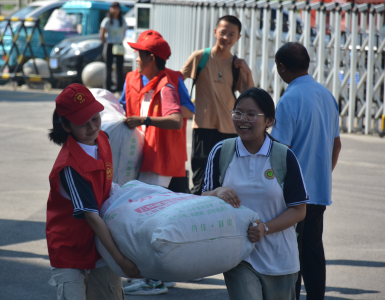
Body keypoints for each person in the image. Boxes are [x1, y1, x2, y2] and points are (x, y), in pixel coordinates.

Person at [202, 87, 309, 300]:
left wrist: (265, 228)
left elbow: (299, 210)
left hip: (281, 260)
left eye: (252, 114)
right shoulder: (221, 152)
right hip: (238, 258)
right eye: (238, 113)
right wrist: (218, 192)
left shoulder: (284, 156)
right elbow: (201, 200)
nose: (243, 119)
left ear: (269, 121)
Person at [46, 83, 142, 300]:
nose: (92, 127)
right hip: (71, 248)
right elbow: (91, 216)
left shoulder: (103, 139)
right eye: (82, 123)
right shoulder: (70, 167)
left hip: (101, 243)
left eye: (95, 118)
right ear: (67, 126)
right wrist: (120, 259)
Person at [271, 42, 342, 300]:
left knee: (291, 253)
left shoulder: (289, 99)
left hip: (294, 194)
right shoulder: (326, 95)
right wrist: (322, 175)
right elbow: (337, 145)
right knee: (312, 250)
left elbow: (280, 151)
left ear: (281, 67)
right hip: (319, 190)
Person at [120, 30, 187, 296]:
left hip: (161, 161)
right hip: (150, 158)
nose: (136, 58)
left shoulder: (165, 84)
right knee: (152, 218)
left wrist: (143, 120)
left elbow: (177, 119)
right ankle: (160, 275)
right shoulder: (146, 81)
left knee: (150, 220)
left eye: (139, 54)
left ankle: (155, 279)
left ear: (150, 57)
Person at [181, 15, 255, 196]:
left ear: (238, 38)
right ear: (215, 32)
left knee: (224, 178)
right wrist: (184, 106)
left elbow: (251, 96)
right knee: (200, 178)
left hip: (229, 129)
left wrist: (248, 71)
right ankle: (194, 219)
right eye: (223, 33)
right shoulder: (200, 57)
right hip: (203, 127)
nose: (226, 38)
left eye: (232, 34)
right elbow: (178, 81)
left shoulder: (237, 65)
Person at [100, 2, 128, 92]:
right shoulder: (107, 20)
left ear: (120, 10)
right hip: (109, 44)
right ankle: (107, 87)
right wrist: (105, 43)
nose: (115, 10)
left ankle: (119, 87)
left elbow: (124, 32)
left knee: (119, 67)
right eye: (113, 8)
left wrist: (120, 41)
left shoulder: (122, 20)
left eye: (117, 8)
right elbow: (102, 34)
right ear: (110, 9)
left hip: (119, 45)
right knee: (108, 67)